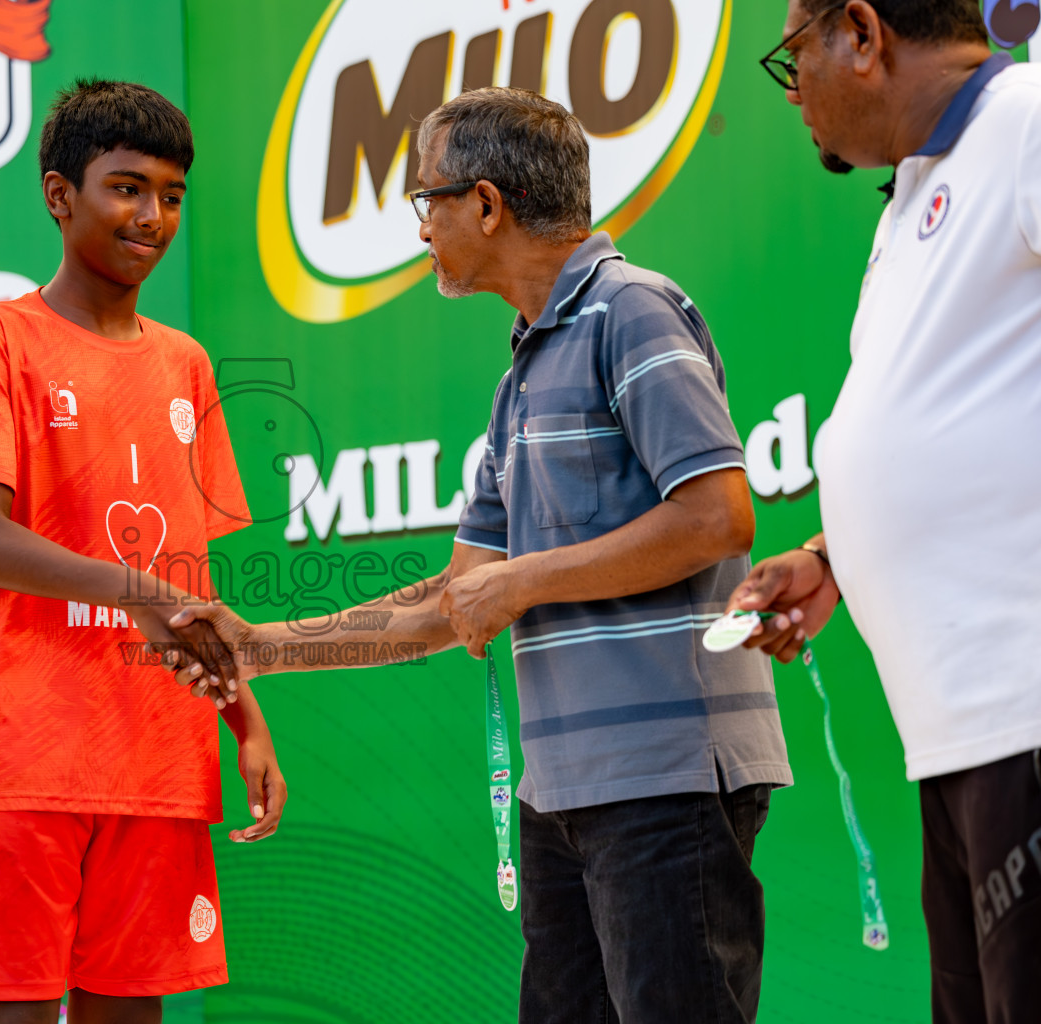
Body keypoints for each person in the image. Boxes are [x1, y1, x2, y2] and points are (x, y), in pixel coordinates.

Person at [170, 88, 792, 1024]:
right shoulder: (521, 376)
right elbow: (459, 599)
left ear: (488, 205)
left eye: (428, 200)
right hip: (561, 799)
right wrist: (261, 644)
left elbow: (717, 517)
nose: (421, 227)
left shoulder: (635, 311)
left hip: (666, 782)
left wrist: (528, 580)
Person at [0, 79, 286, 1024]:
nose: (153, 216)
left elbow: (189, 585)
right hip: (21, 758)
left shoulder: (187, 365)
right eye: (126, 188)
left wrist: (243, 716)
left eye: (172, 195)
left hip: (159, 763)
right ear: (60, 195)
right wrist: (129, 589)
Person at [736, 2, 1041, 1020]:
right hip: (957, 737)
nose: (793, 93)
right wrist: (833, 553)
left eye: (796, 56)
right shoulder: (911, 193)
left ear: (862, 35)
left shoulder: (1026, 121)